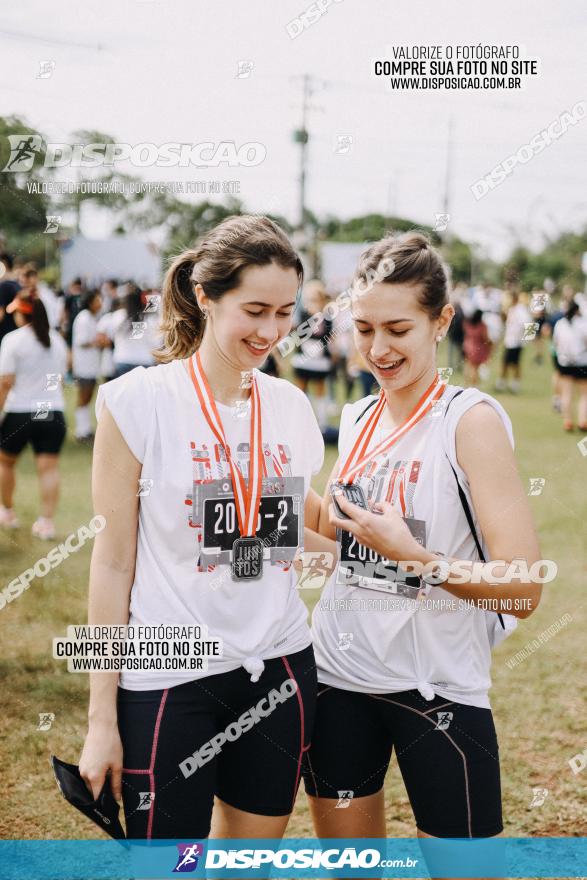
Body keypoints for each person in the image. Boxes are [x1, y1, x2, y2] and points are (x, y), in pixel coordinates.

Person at [78, 215, 329, 842]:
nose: (271, 331)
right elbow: (111, 562)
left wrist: (420, 565)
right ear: (204, 295)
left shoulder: (291, 407)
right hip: (168, 674)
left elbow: (290, 531)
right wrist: (100, 719)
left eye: (285, 311)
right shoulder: (136, 402)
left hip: (278, 665)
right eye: (254, 310)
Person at [303, 231, 542, 849]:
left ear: (441, 321)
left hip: (438, 686)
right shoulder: (357, 416)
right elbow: (341, 546)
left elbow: (522, 589)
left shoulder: (471, 421)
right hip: (339, 677)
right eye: (363, 328)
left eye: (398, 329)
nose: (378, 348)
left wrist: (416, 558)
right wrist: (257, 486)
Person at [0, 291, 68, 539]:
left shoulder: (13, 340)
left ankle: (7, 512)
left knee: (5, 463)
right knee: (48, 469)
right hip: (51, 412)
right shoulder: (57, 341)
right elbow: (60, 379)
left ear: (22, 313)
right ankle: (46, 523)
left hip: (20, 412)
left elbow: (5, 383)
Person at [291, 280, 335, 433]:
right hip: (303, 361)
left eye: (317, 298)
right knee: (300, 391)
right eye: (311, 298)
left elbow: (327, 336)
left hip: (320, 362)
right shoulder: (302, 314)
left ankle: (322, 424)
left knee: (320, 391)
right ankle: (298, 422)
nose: (313, 302)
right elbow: (300, 334)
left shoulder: (327, 317)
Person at [96, 283, 162, 378]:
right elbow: (156, 343)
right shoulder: (149, 319)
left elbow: (102, 331)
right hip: (144, 361)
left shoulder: (118, 316)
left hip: (123, 360)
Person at [72, 289, 105, 442]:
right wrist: (98, 341)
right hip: (84, 365)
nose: (100, 304)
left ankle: (85, 429)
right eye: (97, 301)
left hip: (91, 365)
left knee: (88, 397)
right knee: (84, 397)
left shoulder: (91, 318)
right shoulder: (84, 318)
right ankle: (81, 431)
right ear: (90, 302)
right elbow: (81, 341)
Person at [552, 298, 587, 431]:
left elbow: (556, 343)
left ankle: (567, 421)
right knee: (584, 394)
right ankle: (583, 420)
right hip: (582, 362)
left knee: (567, 393)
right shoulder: (583, 324)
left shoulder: (560, 324)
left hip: (565, 362)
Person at [495, 291, 531, 393]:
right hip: (509, 341)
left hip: (516, 342)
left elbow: (528, 324)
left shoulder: (521, 310)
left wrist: (524, 339)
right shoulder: (511, 309)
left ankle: (514, 384)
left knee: (514, 364)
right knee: (505, 363)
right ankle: (502, 383)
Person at [462, 309, 492, 386]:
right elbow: (486, 338)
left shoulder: (468, 324)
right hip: (477, 349)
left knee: (468, 366)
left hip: (467, 347)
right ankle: (474, 385)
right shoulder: (482, 326)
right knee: (475, 368)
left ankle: (465, 383)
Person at [0, 253, 21, 345]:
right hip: (16, 334)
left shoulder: (3, 286)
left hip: (4, 337)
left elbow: (0, 314)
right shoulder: (18, 285)